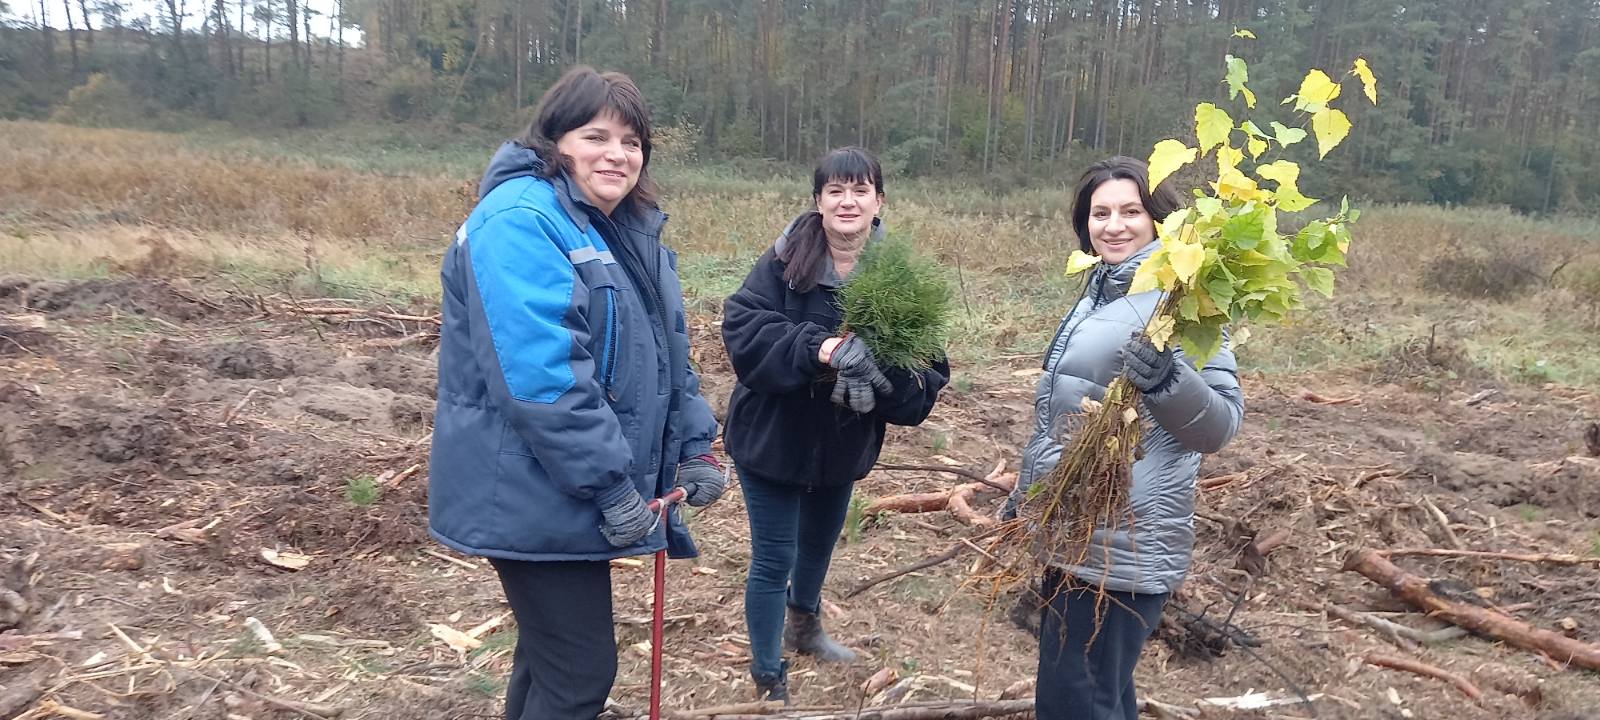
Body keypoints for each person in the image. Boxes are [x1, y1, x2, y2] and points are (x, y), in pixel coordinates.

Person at [428, 66, 726, 720]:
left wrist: (697, 444)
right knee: (580, 671)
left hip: (558, 487)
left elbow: (663, 351)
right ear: (555, 142)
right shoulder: (520, 220)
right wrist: (609, 484)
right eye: (597, 136)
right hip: (528, 486)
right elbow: (543, 376)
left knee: (549, 659)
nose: (617, 154)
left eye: (632, 141)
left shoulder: (620, 228)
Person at [1008, 156, 1245, 720]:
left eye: (1131, 211)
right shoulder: (1100, 293)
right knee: (1099, 696)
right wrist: (1030, 497)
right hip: (1077, 532)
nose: (1113, 225)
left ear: (1160, 219)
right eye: (1100, 213)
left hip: (1125, 544)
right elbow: (1061, 417)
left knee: (1074, 701)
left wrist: (1169, 380)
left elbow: (1220, 426)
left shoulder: (1184, 302)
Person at [721, 147, 951, 703]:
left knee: (819, 548)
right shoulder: (783, 262)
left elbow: (928, 372)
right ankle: (768, 674)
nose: (847, 201)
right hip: (772, 438)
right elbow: (744, 329)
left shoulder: (899, 277)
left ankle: (805, 629)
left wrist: (881, 372)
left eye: (860, 190)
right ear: (818, 201)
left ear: (879, 201)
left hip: (840, 445)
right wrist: (820, 347)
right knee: (775, 556)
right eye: (835, 191)